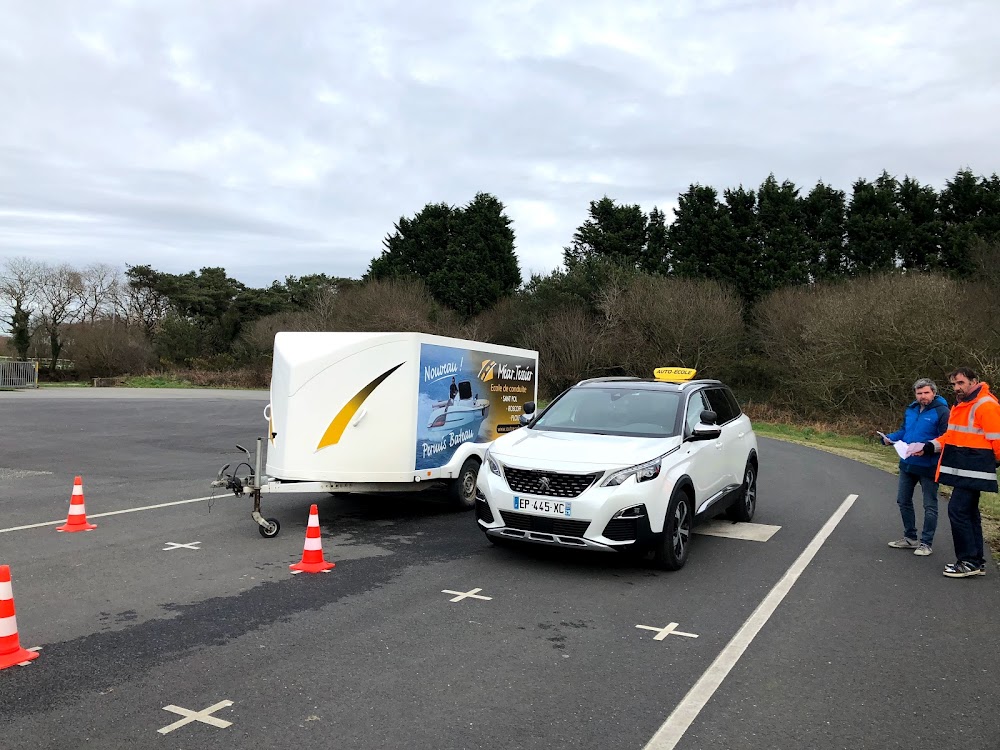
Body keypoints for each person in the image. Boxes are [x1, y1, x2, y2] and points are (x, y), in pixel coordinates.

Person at [917, 367, 1000, 578]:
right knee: (969, 513)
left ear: (974, 381)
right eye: (954, 384)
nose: (957, 388)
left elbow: (997, 438)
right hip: (964, 469)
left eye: (961, 383)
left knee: (958, 511)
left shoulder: (985, 405)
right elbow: (950, 437)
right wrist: (928, 446)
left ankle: (968, 561)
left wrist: (993, 462)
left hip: (974, 469)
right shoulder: (961, 406)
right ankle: (976, 562)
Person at [881, 378, 950, 555]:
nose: (923, 396)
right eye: (919, 393)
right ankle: (910, 538)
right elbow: (904, 431)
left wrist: (926, 449)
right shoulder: (911, 410)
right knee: (903, 500)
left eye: (926, 393)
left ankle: (926, 543)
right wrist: (888, 438)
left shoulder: (942, 411)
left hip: (929, 465)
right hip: (907, 463)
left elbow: (946, 439)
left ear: (933, 393)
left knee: (929, 505)